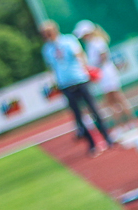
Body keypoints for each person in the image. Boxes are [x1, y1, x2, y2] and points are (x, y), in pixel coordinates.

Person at [41, 21, 110, 155]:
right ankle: (92, 144)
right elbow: (51, 67)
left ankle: (108, 138)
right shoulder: (46, 49)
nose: (46, 35)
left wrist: (86, 70)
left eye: (48, 32)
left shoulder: (68, 41)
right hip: (65, 83)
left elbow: (80, 56)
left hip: (79, 79)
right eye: (44, 34)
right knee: (78, 116)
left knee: (94, 109)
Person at [76, 20, 138, 137]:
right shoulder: (91, 44)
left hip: (107, 74)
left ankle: (129, 123)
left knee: (116, 99)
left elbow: (103, 57)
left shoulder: (97, 42)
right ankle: (125, 125)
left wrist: (93, 70)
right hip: (103, 75)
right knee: (112, 102)